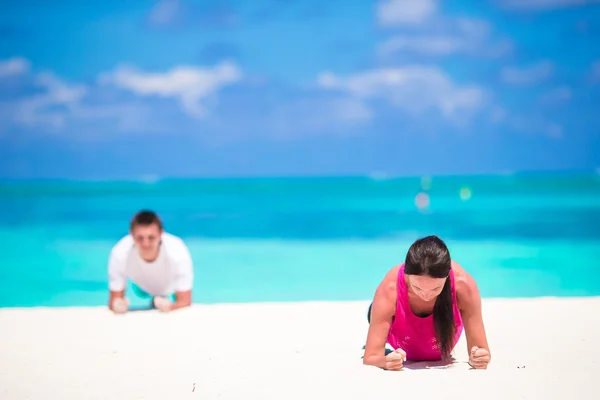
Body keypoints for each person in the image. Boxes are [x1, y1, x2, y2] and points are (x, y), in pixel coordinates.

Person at [362, 235, 491, 370]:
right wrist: (386, 362)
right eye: (417, 288)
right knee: (376, 311)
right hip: (400, 331)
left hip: (439, 337)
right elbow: (371, 356)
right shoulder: (390, 287)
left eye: (436, 288)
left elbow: (481, 350)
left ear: (447, 276)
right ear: (407, 274)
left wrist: (479, 358)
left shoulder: (463, 285)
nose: (426, 296)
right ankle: (373, 310)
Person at [107, 210, 194, 314]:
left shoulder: (177, 251)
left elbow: (185, 300)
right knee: (146, 295)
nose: (146, 244)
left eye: (151, 238)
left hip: (169, 286)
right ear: (131, 235)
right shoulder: (120, 253)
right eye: (140, 238)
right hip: (140, 288)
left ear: (161, 234)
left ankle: (158, 299)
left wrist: (170, 307)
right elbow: (114, 300)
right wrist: (118, 306)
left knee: (166, 298)